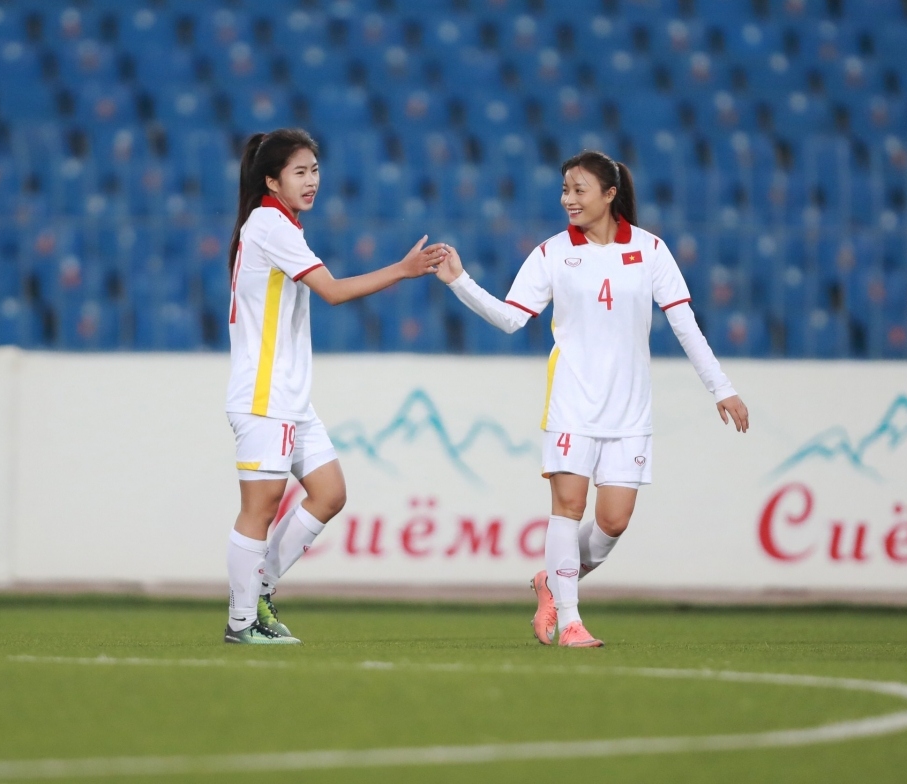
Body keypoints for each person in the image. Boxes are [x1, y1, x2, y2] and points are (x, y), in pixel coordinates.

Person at [435, 150, 749, 648]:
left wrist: (721, 387)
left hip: (629, 410)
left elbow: (684, 322)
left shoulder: (650, 249)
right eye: (564, 190)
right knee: (568, 508)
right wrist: (460, 281)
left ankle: (550, 581)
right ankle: (571, 620)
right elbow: (513, 317)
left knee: (613, 522)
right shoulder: (553, 252)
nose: (568, 199)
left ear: (610, 194)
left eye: (579, 190)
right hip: (572, 404)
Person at [223, 128, 447, 644]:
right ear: (272, 180)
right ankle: (241, 623)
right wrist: (404, 269)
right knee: (259, 509)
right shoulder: (269, 224)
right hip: (264, 397)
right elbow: (333, 292)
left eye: (315, 170)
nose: (311, 181)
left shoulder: (281, 225)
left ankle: (259, 589)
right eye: (300, 172)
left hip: (289, 398)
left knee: (329, 493)